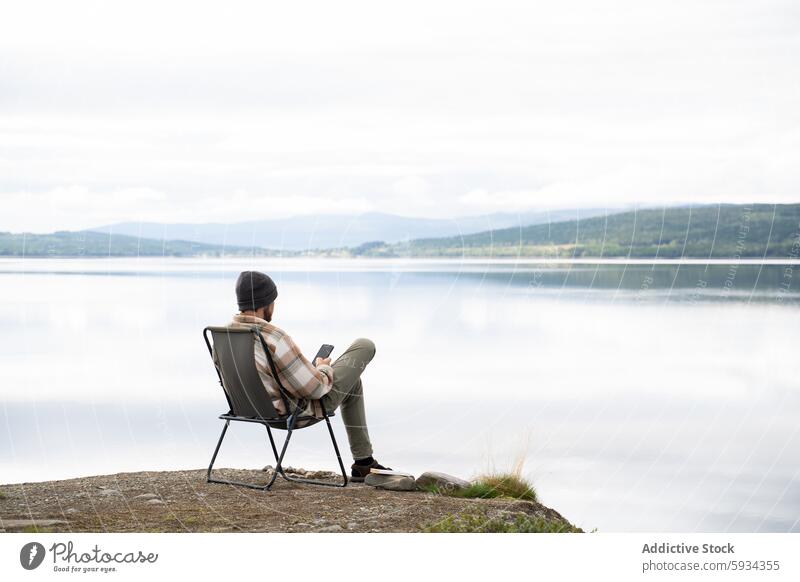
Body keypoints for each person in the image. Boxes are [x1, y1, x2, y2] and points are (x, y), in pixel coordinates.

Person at [228, 270, 390, 482]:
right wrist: (323, 368)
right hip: (293, 413)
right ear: (266, 303)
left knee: (352, 382)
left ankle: (364, 463)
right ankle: (363, 462)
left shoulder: (227, 335)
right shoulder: (273, 337)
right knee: (364, 345)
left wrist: (308, 372)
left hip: (250, 409)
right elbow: (315, 388)